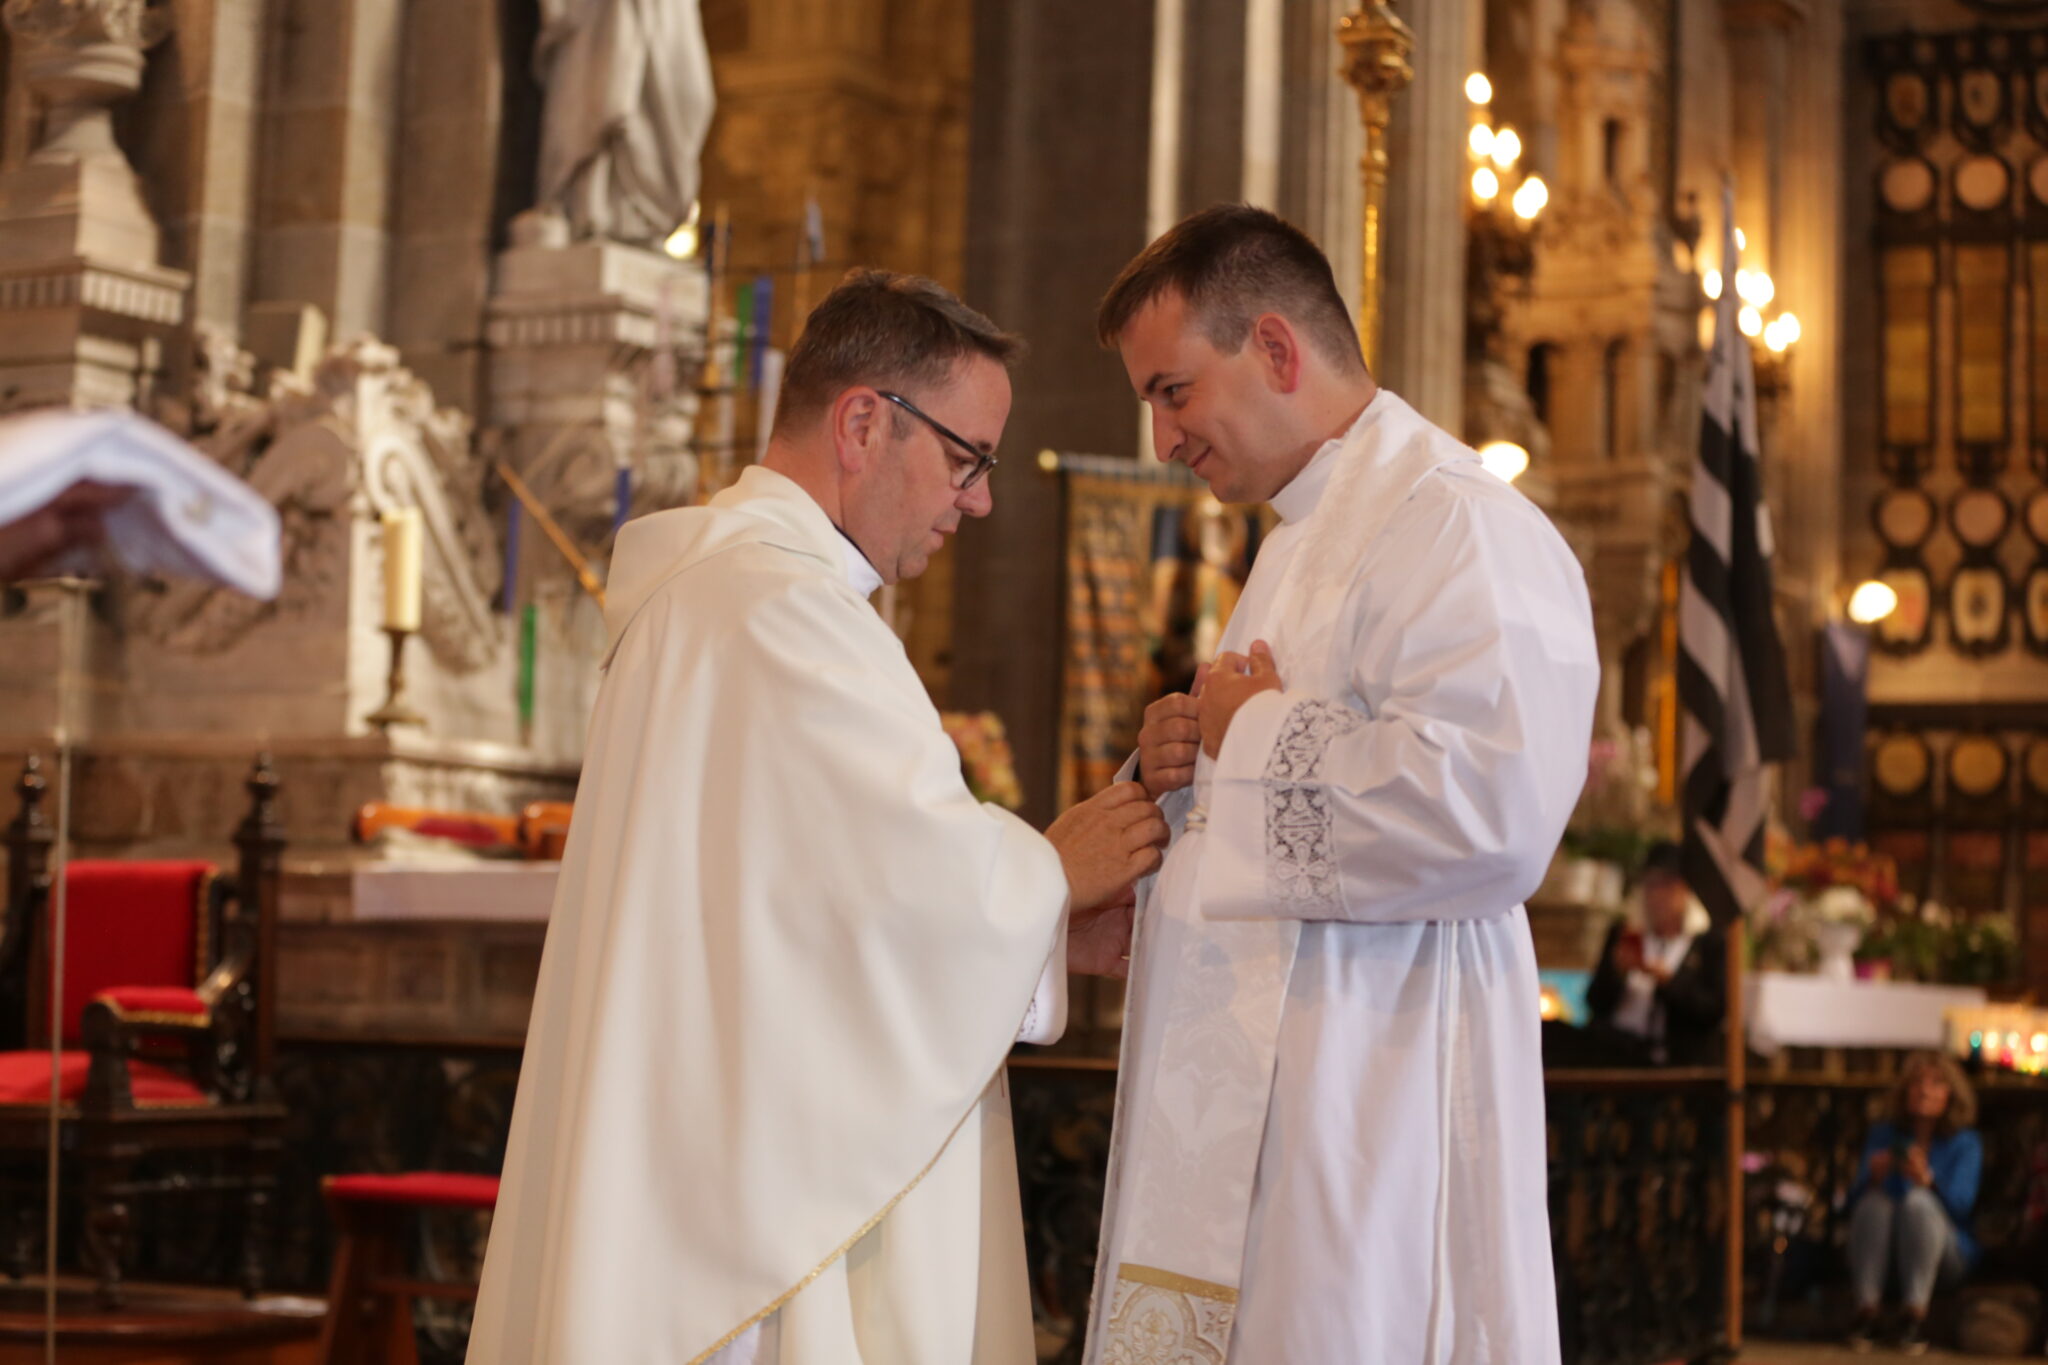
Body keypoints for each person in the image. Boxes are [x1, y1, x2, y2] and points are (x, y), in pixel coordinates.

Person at [467, 270, 1169, 1365]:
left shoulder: (723, 592)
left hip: (706, 1147)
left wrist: (1040, 927)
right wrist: (1049, 870)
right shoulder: (779, 608)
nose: (978, 500)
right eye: (967, 459)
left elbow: (806, 913)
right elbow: (903, 884)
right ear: (863, 424)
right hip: (749, 1202)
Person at [1081, 205, 1601, 1364]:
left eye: (1171, 392)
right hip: (1260, 1107)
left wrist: (1254, 732)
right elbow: (1261, 801)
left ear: (1274, 347)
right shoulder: (1293, 538)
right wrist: (1176, 769)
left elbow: (1493, 813)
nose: (1160, 439)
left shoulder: (1461, 525)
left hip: (1374, 1105)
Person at [1845, 1051, 1983, 1355]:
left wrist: (1928, 1181)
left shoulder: (1965, 1143)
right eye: (1917, 1082)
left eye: (1936, 1083)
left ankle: (1914, 1317)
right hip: (1886, 1251)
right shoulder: (1884, 1135)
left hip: (1944, 1254)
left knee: (1918, 1203)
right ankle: (1867, 1312)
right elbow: (1851, 1207)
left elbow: (1962, 1207)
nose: (1924, 1090)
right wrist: (1873, 1178)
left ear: (1951, 1093)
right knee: (1874, 1203)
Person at [1585, 839, 1726, 1065]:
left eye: (1667, 885)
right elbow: (1594, 1003)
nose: (1657, 895)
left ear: (1686, 890)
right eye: (1650, 884)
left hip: (1675, 1060)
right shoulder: (1624, 933)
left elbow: (1712, 1012)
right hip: (1617, 1053)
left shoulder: (1707, 943)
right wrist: (1616, 972)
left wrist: (1669, 983)